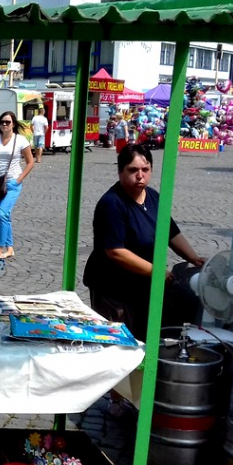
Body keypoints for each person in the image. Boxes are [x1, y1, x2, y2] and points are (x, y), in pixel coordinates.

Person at [83, 144, 205, 345]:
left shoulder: (154, 197)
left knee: (144, 340)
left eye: (145, 170)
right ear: (120, 171)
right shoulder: (112, 203)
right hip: (114, 291)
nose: (140, 175)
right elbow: (115, 251)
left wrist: (193, 257)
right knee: (118, 346)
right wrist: (156, 271)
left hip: (143, 288)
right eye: (133, 170)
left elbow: (171, 232)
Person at [0, 111, 35, 261]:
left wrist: (19, 179)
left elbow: (30, 162)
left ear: (13, 124)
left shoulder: (20, 140)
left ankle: (0, 249)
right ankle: (10, 248)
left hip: (13, 183)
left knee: (2, 214)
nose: (5, 125)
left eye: (8, 122)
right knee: (5, 217)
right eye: (2, 122)